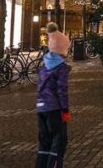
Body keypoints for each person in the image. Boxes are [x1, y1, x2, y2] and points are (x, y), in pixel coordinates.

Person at [36, 30, 71, 168]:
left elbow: (40, 87)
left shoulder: (45, 65)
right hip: (55, 108)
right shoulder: (61, 67)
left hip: (41, 108)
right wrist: (65, 109)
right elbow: (62, 90)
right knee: (58, 142)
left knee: (44, 143)